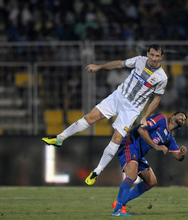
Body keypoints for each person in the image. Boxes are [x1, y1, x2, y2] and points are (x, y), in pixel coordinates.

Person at [42, 44, 167, 185]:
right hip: (118, 96)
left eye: (157, 56)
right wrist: (99, 67)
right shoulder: (139, 60)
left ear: (161, 57)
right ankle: (59, 138)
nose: (154, 58)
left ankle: (97, 171)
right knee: (90, 117)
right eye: (152, 54)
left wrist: (145, 116)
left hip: (132, 109)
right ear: (148, 53)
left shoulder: (162, 77)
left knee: (117, 138)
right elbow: (120, 64)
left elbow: (157, 98)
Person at [111, 112, 187, 217]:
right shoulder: (161, 118)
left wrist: (182, 154)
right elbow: (141, 130)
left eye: (185, 118)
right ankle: (117, 211)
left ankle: (120, 202)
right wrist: (156, 146)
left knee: (152, 181)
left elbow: (178, 157)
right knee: (132, 176)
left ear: (180, 128)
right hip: (130, 144)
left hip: (139, 154)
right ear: (172, 116)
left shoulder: (168, 138)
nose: (183, 117)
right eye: (181, 115)